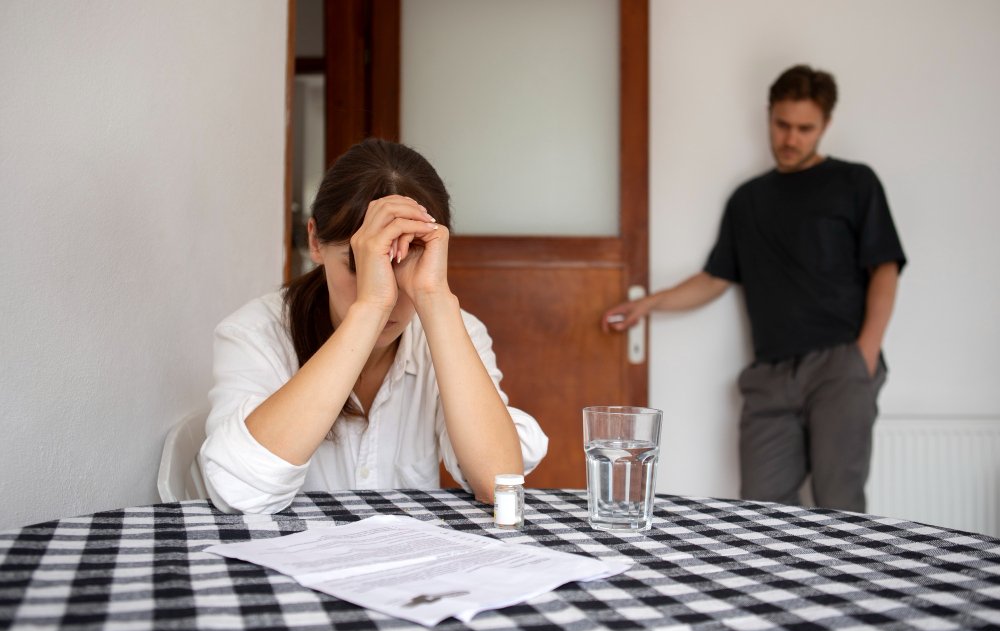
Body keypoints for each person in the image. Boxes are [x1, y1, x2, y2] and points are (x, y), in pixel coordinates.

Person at [602, 65, 906, 513]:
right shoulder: (748, 200)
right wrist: (648, 304)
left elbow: (885, 268)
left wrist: (863, 356)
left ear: (825, 126)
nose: (791, 138)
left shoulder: (855, 183)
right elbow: (714, 279)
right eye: (782, 125)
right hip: (769, 377)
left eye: (805, 129)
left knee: (840, 506)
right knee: (762, 511)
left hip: (840, 367)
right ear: (769, 115)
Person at [200, 138, 548, 514]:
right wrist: (368, 309)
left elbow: (499, 484)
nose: (389, 296)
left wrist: (433, 298)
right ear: (315, 241)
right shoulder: (255, 333)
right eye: (360, 266)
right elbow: (236, 490)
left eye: (407, 264)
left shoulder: (453, 330)